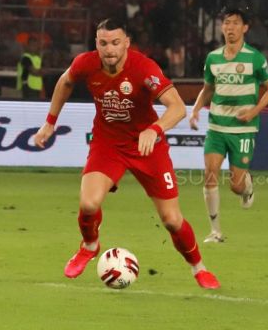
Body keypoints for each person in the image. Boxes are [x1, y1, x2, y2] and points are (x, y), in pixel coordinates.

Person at [34, 18, 220, 289]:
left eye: (115, 42)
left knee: (171, 220)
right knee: (88, 204)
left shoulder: (144, 68)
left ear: (127, 44)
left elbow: (177, 107)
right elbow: (65, 82)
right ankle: (89, 245)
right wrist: (49, 122)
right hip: (108, 145)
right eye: (103, 43)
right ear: (96, 44)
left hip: (148, 147)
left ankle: (199, 269)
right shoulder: (86, 63)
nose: (109, 49)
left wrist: (154, 130)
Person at [189, 8, 268, 243]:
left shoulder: (255, 58)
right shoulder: (213, 58)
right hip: (217, 126)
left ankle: (246, 186)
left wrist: (254, 111)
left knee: (235, 187)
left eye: (235, 23)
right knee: (210, 175)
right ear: (222, 27)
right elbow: (207, 89)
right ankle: (215, 231)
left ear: (245, 28)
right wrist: (196, 110)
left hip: (243, 129)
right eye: (226, 23)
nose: (230, 28)